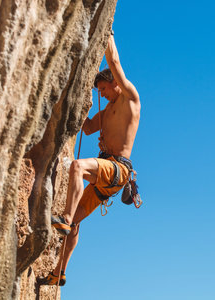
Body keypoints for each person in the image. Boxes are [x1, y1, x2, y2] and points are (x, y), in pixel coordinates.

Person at [38, 32, 141, 286]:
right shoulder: (105, 112)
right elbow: (86, 127)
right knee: (76, 225)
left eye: (104, 89)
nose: (102, 94)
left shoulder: (130, 98)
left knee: (77, 166)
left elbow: (115, 64)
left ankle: (64, 218)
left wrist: (109, 34)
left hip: (118, 169)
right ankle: (59, 272)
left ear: (114, 83)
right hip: (106, 178)